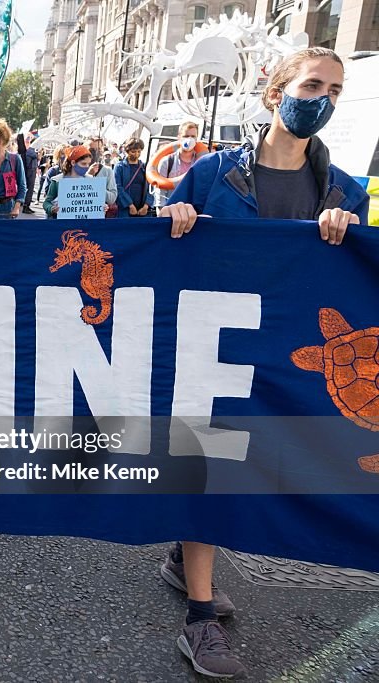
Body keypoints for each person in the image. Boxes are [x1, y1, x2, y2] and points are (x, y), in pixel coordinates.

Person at [158, 47, 367, 679]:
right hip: (216, 354)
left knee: (258, 465)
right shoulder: (212, 176)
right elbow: (161, 253)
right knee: (206, 464)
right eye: (311, 84)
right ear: (275, 92)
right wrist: (175, 217)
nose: (322, 98)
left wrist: (348, 229)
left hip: (290, 360)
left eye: (334, 88)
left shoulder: (344, 190)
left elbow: (359, 283)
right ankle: (201, 616)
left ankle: (184, 554)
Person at [42, 145, 110, 219]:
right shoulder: (58, 181)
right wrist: (52, 209)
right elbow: (46, 203)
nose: (87, 167)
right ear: (73, 163)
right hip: (62, 226)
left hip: (84, 226)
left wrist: (102, 207)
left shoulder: (91, 180)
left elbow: (94, 203)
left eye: (88, 164)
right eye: (83, 164)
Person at [153, 120, 207, 209]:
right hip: (171, 208)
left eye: (193, 136)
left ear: (196, 139)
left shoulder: (201, 163)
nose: (189, 139)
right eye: (186, 136)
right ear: (179, 138)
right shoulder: (167, 161)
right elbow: (160, 191)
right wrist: (160, 211)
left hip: (193, 209)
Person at [114, 137, 153, 218]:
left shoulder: (145, 167)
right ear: (127, 151)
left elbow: (151, 187)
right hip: (125, 210)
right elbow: (118, 187)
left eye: (139, 151)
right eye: (133, 151)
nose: (136, 154)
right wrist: (130, 205)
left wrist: (146, 206)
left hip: (143, 210)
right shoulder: (120, 167)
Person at [85, 137, 118, 215]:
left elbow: (112, 199)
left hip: (100, 216)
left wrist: (97, 187)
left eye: (99, 150)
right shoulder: (77, 170)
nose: (96, 153)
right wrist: (88, 176)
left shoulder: (107, 171)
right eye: (92, 150)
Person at [19, 134, 40, 213]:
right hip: (30, 171)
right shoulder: (30, 151)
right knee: (29, 189)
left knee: (29, 189)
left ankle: (26, 205)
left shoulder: (29, 151)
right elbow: (37, 157)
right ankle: (26, 206)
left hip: (31, 171)